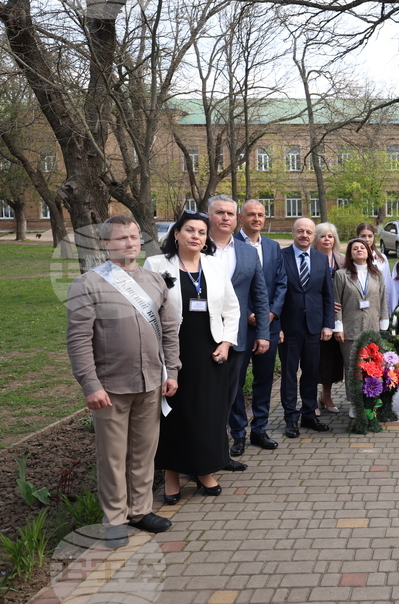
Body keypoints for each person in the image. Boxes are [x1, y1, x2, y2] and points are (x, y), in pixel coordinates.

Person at [66, 215, 180, 547]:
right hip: (111, 386)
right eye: (121, 239)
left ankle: (140, 511)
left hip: (151, 383)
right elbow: (78, 341)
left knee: (144, 452)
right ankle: (115, 520)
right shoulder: (87, 284)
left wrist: (171, 371)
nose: (129, 243)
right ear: (105, 245)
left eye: (133, 237)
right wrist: (90, 384)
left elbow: (170, 330)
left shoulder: (155, 281)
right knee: (113, 457)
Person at [145, 210, 240, 504]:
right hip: (173, 353)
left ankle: (204, 472)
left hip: (210, 353)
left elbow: (232, 309)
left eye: (201, 232)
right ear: (176, 234)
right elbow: (148, 310)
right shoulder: (157, 264)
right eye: (189, 230)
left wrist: (226, 343)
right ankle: (172, 476)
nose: (196, 236)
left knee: (208, 415)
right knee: (175, 414)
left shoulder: (214, 266)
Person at [207, 195, 269, 466]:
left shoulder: (246, 251)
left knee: (231, 393)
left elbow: (260, 293)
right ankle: (205, 452)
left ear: (236, 219)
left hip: (239, 336)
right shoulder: (197, 246)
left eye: (230, 214)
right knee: (206, 396)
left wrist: (264, 332)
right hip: (202, 335)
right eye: (219, 212)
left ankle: (227, 446)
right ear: (208, 216)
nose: (225, 218)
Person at [232, 199, 286, 452]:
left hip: (269, 325)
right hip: (241, 326)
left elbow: (281, 284)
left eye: (261, 215)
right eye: (251, 214)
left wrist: (272, 312)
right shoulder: (230, 246)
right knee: (237, 381)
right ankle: (238, 434)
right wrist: (248, 313)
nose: (256, 218)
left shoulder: (274, 247)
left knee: (264, 381)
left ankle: (259, 430)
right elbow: (227, 286)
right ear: (241, 217)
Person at [279, 217, 335, 435]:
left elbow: (327, 296)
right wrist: (277, 326)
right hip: (288, 327)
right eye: (300, 231)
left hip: (314, 327)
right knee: (289, 373)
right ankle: (290, 419)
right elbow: (276, 292)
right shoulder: (280, 257)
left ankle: (309, 415)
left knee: (311, 372)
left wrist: (328, 324)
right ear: (293, 232)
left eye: (309, 232)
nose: (304, 235)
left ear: (313, 235)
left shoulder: (321, 259)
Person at [333, 238, 390, 401]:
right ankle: (354, 402)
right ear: (350, 254)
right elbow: (336, 303)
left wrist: (384, 323)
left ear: (369, 252)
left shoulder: (377, 275)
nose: (359, 250)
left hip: (372, 328)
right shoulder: (341, 275)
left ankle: (370, 399)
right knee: (352, 368)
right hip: (350, 329)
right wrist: (338, 327)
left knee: (372, 365)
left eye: (362, 248)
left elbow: (382, 300)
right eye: (355, 248)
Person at [315, 222, 345, 415]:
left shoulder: (342, 260)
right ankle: (310, 399)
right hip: (315, 316)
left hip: (338, 317)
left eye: (330, 236)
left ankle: (326, 395)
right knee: (316, 358)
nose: (327, 239)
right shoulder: (310, 258)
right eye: (323, 236)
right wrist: (323, 304)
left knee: (333, 359)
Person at [356, 222, 394, 307]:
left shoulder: (381, 259)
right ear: (357, 237)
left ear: (374, 237)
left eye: (370, 236)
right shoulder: (353, 258)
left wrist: (386, 306)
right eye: (363, 236)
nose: (367, 239)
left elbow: (387, 284)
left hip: (377, 303)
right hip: (357, 303)